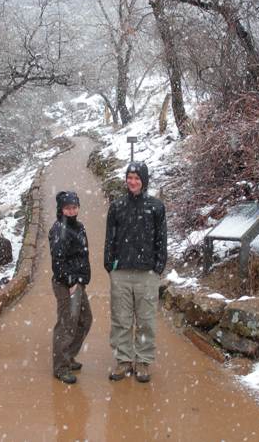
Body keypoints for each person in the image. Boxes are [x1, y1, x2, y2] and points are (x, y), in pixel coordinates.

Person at [104, 162, 167, 383]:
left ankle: (142, 361)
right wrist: (109, 264)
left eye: (137, 178)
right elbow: (110, 237)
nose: (132, 181)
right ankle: (123, 360)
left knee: (146, 320)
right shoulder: (117, 206)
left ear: (144, 180)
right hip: (121, 272)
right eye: (129, 177)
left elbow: (161, 239)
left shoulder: (156, 207)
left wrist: (158, 267)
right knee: (121, 319)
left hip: (147, 273)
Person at [49, 191, 92, 384]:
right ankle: (61, 367)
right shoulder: (59, 230)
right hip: (66, 285)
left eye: (74, 207)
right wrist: (72, 281)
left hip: (78, 283)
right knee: (67, 324)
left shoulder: (79, 227)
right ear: (61, 209)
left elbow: (81, 256)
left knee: (84, 319)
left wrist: (81, 279)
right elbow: (58, 263)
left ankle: (68, 356)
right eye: (68, 208)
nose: (72, 211)